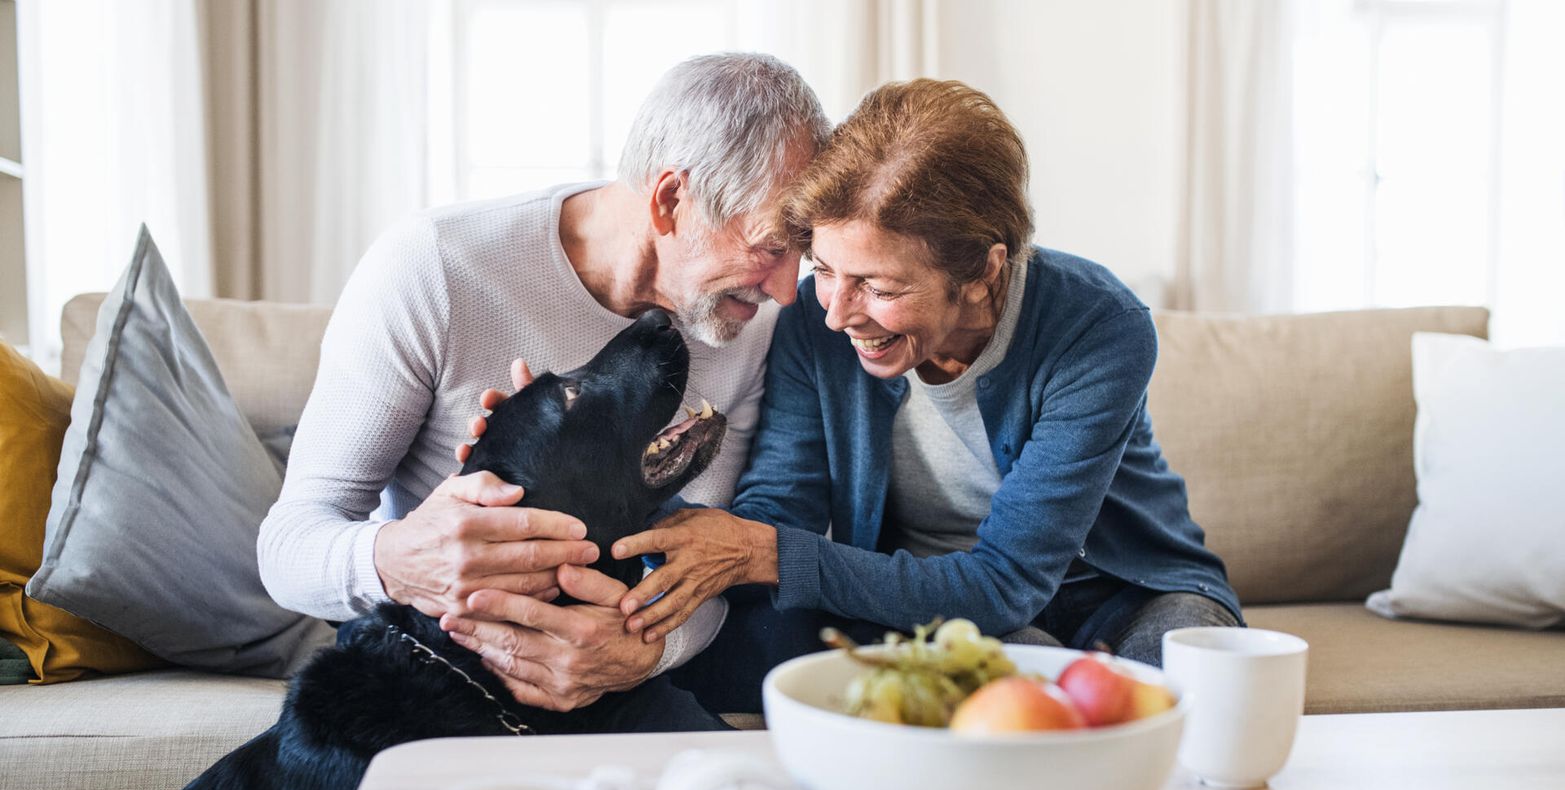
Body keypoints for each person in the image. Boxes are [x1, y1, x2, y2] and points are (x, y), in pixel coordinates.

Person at [598, 79, 1244, 682]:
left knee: (1188, 687)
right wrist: (619, 493)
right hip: (920, 602)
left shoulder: (1097, 326)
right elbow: (775, 513)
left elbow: (1006, 583)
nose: (834, 312)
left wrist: (763, 551)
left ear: (984, 273)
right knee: (1006, 690)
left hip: (1125, 593)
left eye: (878, 287)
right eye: (823, 268)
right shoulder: (812, 326)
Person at [258, 53, 830, 721]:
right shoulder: (436, 266)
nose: (789, 290)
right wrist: (403, 557)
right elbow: (288, 550)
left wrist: (649, 648)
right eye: (769, 247)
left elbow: (705, 562)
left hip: (618, 661)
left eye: (803, 251)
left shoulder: (748, 320)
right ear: (670, 200)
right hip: (433, 660)